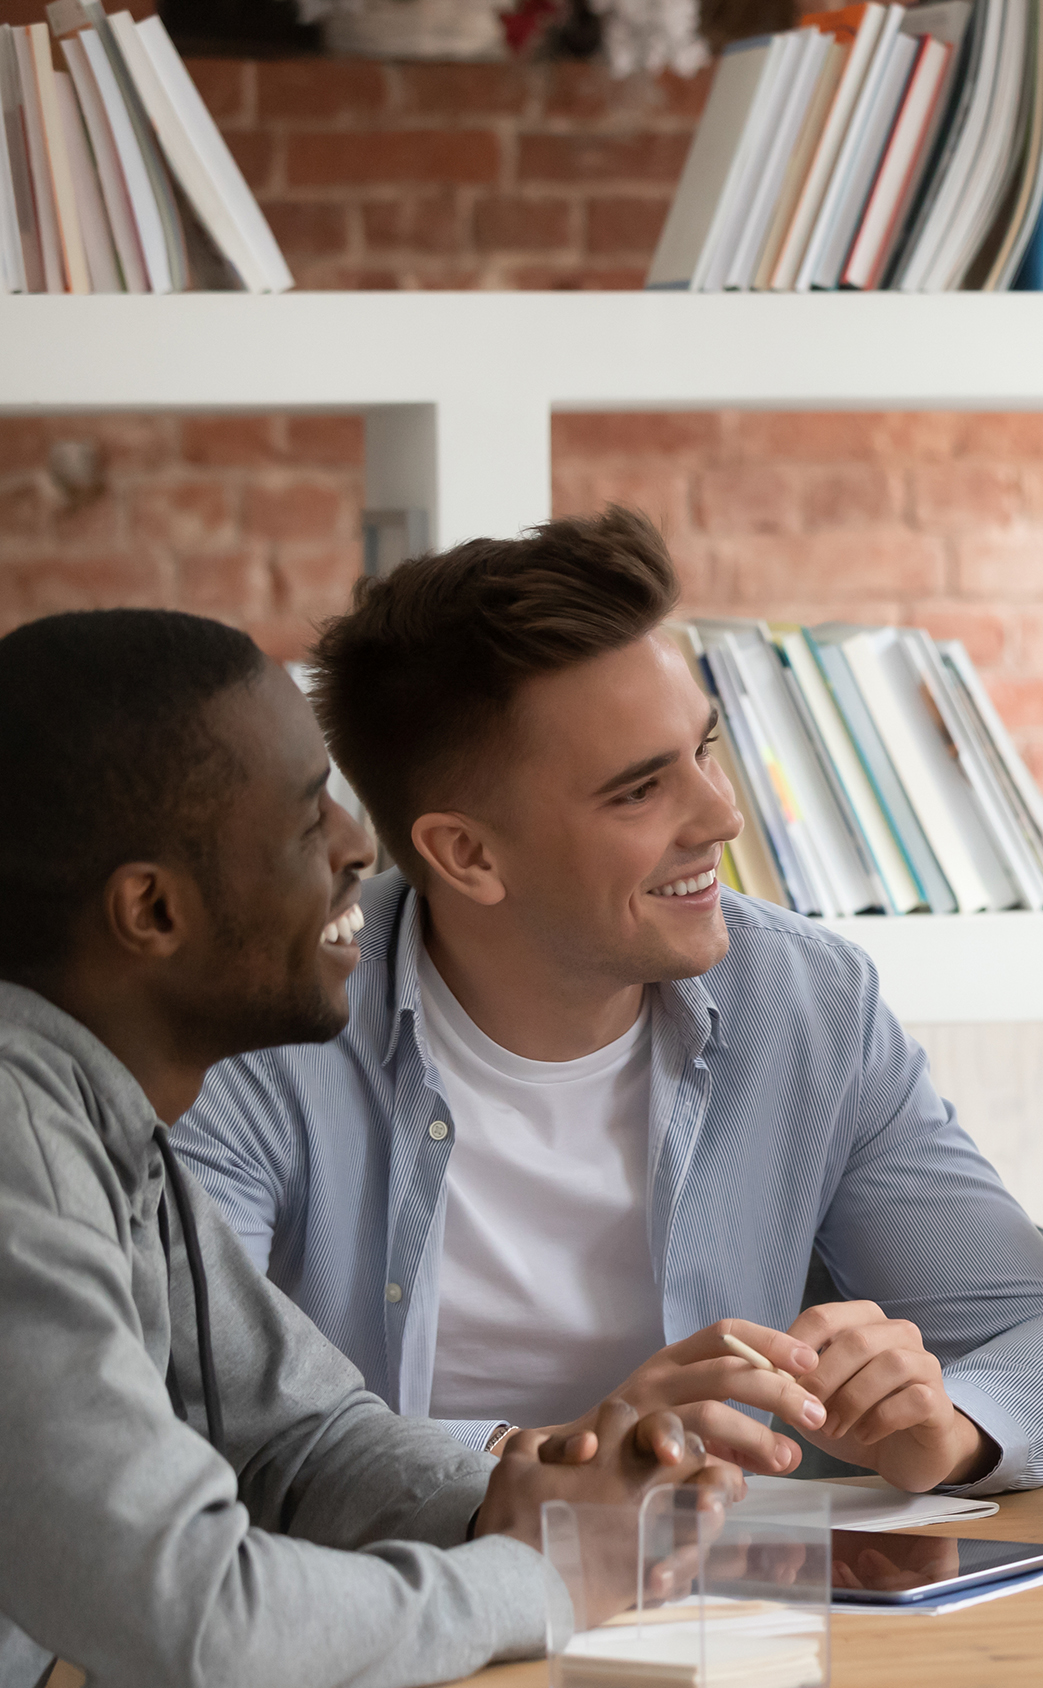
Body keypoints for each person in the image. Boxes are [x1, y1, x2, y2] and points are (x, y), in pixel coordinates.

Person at [181, 507, 1043, 1495]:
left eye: (706, 749)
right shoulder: (260, 1042)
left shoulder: (805, 1001)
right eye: (639, 790)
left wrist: (954, 1424)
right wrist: (569, 1457)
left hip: (734, 1618)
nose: (722, 815)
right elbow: (196, 1415)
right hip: (400, 1610)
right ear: (467, 853)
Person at [0, 608, 734, 1688]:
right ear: (152, 909)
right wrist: (542, 1583)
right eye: (308, 822)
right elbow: (198, 1620)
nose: (360, 848)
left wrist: (537, 1489)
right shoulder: (18, 1151)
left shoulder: (98, 1121)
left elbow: (295, 1438)